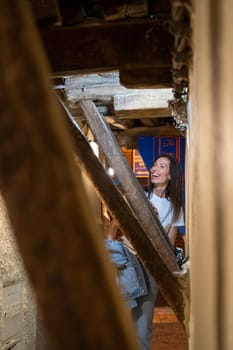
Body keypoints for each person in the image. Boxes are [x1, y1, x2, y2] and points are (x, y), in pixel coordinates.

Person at [105, 154, 184, 350]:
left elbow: (169, 245)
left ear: (171, 175)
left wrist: (154, 223)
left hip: (150, 269)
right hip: (128, 261)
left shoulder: (176, 209)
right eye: (154, 164)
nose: (155, 168)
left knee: (142, 327)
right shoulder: (136, 196)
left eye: (162, 166)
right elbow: (114, 228)